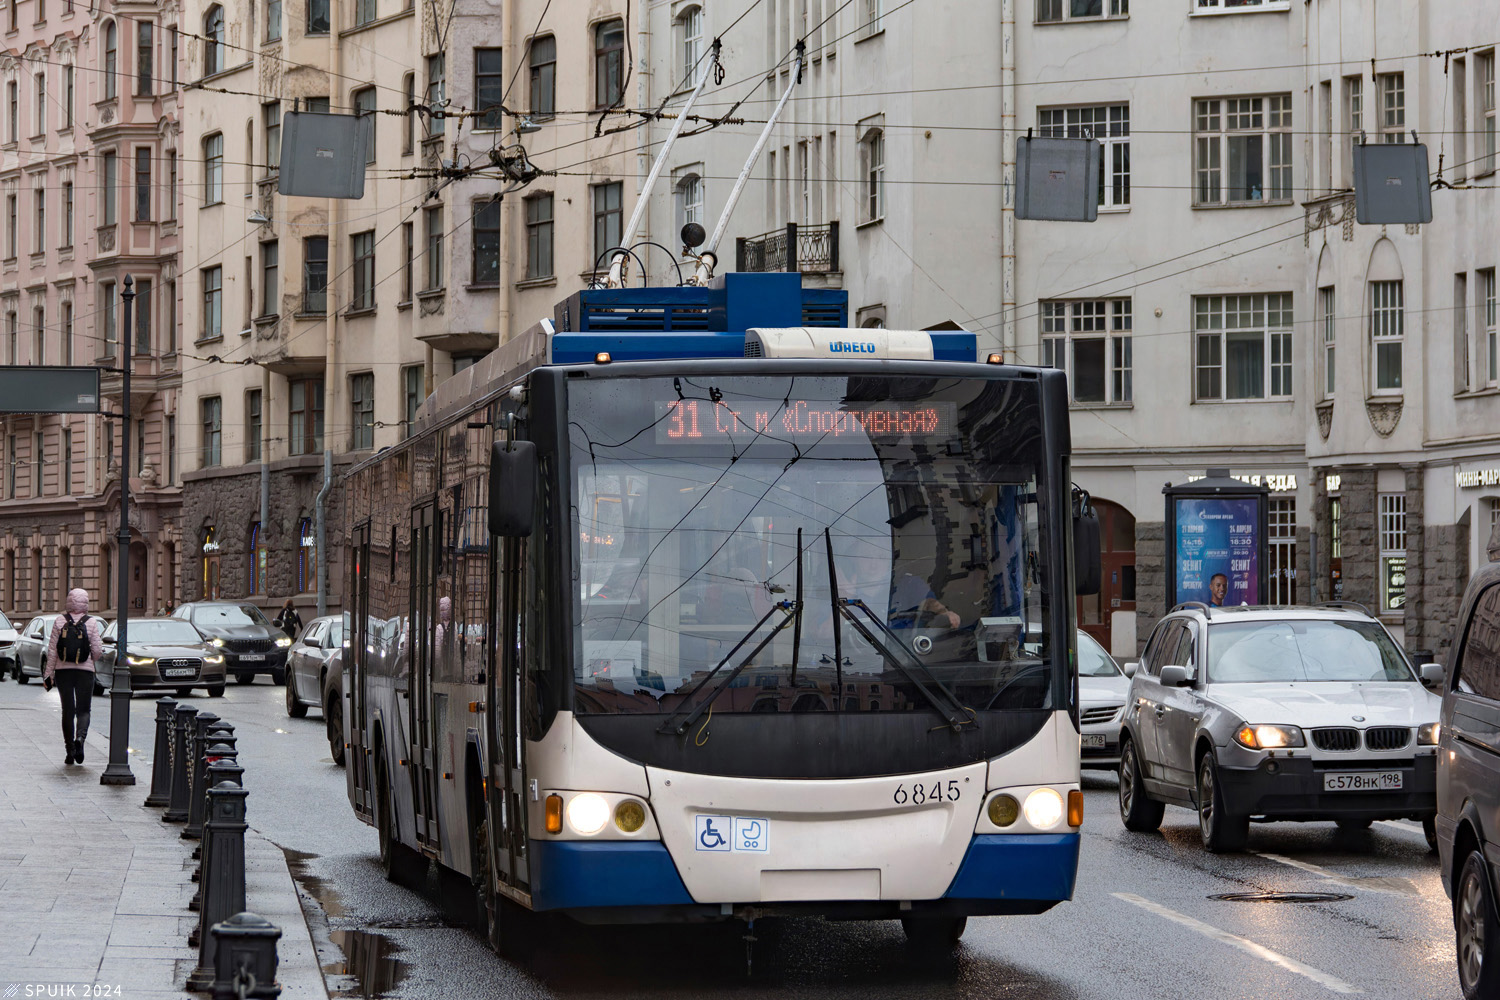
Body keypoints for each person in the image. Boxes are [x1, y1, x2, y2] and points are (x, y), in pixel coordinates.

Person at [43, 588, 106, 766]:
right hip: (85, 672)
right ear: (86, 603)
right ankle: (80, 739)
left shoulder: (59, 620)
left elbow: (52, 651)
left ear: (69, 601)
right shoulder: (91, 622)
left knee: (67, 710)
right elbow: (97, 650)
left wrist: (49, 675)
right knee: (84, 710)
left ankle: (69, 750)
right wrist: (91, 659)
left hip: (63, 672)